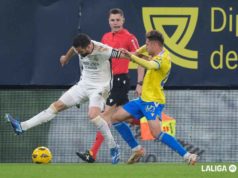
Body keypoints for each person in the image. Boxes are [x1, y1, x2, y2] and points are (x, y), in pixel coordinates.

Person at [5, 33, 122, 164]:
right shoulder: (79, 47)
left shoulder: (103, 50)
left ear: (89, 46)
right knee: (56, 106)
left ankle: (113, 147)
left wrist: (139, 57)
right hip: (83, 85)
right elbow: (73, 48)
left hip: (100, 87)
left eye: (81, 51)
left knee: (93, 115)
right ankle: (22, 127)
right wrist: (66, 58)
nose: (80, 53)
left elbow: (125, 55)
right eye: (78, 51)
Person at [110, 30, 198, 165]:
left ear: (155, 44)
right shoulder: (151, 48)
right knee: (115, 118)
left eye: (147, 44)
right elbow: (136, 54)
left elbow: (149, 64)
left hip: (153, 101)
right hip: (143, 99)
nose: (146, 46)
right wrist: (126, 54)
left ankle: (187, 155)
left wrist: (131, 57)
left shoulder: (164, 59)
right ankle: (137, 149)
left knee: (156, 133)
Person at [76, 8, 145, 164]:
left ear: (123, 20)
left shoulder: (130, 38)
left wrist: (140, 83)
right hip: (107, 81)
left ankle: (92, 153)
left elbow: (141, 60)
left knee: (104, 117)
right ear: (109, 21)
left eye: (118, 20)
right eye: (112, 20)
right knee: (117, 118)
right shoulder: (105, 37)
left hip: (120, 81)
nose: (115, 23)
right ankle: (141, 139)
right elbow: (97, 62)